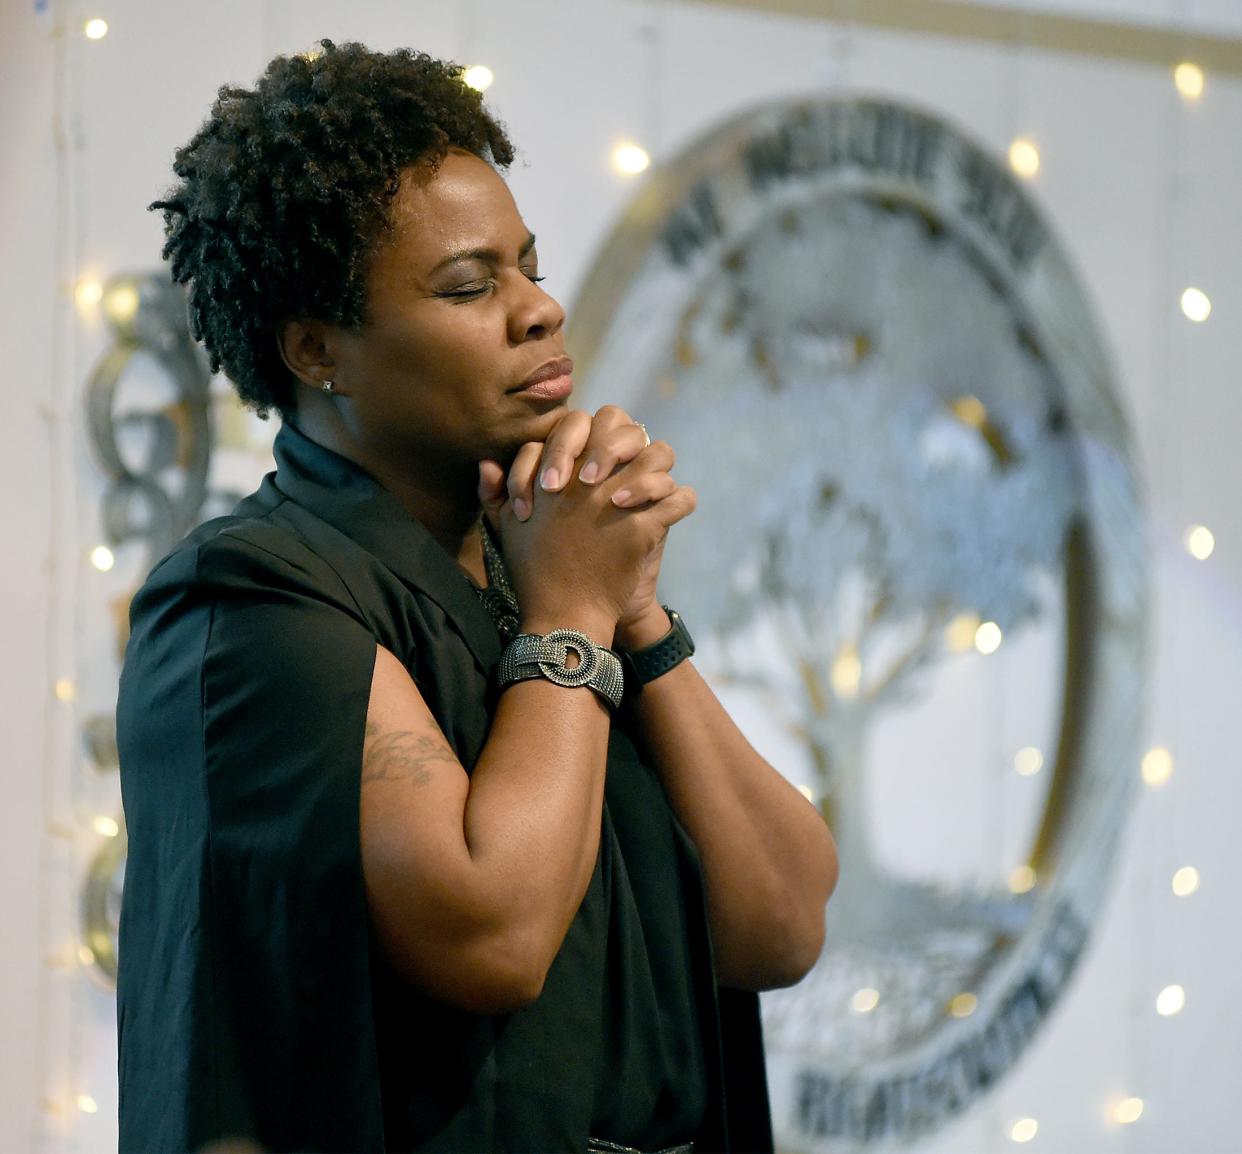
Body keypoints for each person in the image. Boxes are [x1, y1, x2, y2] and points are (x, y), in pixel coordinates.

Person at [116, 40, 838, 1154]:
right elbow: (488, 929)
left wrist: (630, 604)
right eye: (469, 285)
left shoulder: (549, 567)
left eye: (529, 266)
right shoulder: (249, 598)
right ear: (318, 349)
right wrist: (570, 623)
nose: (537, 310)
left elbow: (780, 922)